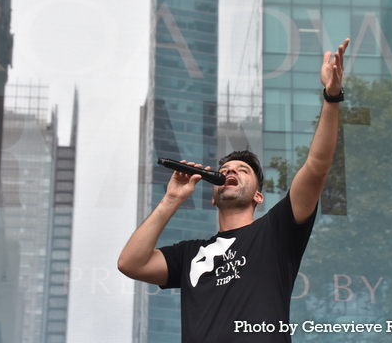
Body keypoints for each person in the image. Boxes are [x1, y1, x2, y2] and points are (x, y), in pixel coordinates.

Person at [118, 38, 350, 342]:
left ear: (258, 196)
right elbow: (130, 263)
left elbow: (317, 167)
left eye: (243, 171)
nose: (231, 172)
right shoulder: (189, 254)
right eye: (226, 170)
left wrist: (331, 97)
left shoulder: (277, 232)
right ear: (214, 196)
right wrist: (172, 199)